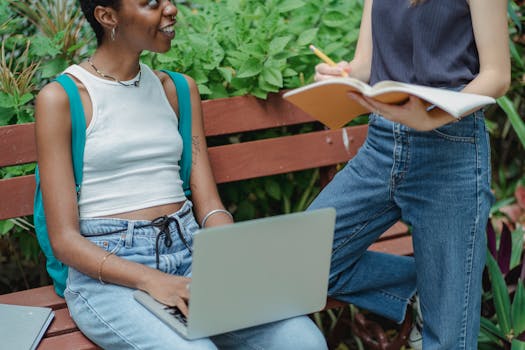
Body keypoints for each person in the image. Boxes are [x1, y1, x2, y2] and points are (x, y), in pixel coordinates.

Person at [34, 0, 328, 349]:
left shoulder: (178, 90)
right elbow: (64, 239)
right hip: (110, 274)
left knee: (302, 339)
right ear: (107, 16)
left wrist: (232, 255)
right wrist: (152, 280)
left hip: (193, 255)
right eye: (151, 4)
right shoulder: (62, 99)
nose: (171, 9)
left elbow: (209, 206)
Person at [308, 0, 510, 349]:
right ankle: (427, 289)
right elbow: (365, 65)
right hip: (382, 145)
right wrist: (343, 74)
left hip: (450, 145)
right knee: (299, 264)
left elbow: (497, 75)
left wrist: (431, 117)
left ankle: (446, 294)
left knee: (449, 340)